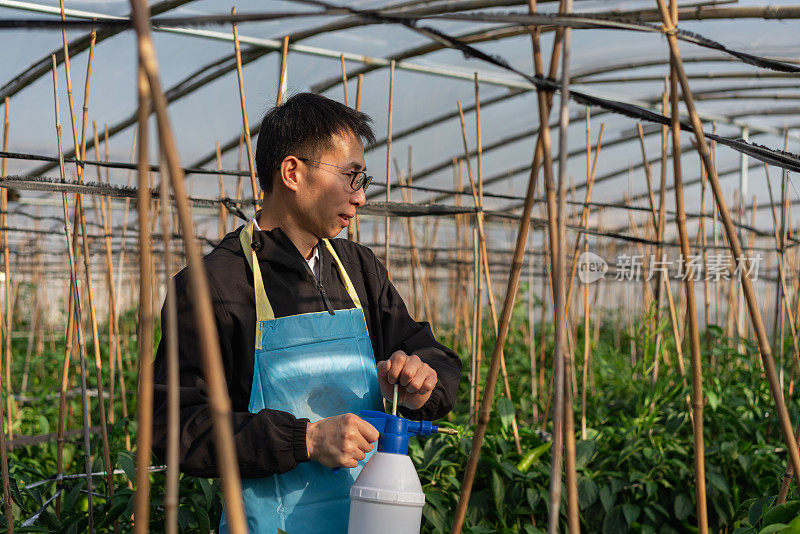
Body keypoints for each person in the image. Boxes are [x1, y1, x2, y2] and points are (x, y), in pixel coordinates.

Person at [151, 92, 461, 533]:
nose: (360, 196)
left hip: (371, 517)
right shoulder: (214, 286)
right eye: (351, 176)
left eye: (363, 179)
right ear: (293, 172)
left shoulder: (358, 270)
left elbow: (431, 354)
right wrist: (306, 440)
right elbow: (173, 427)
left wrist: (422, 381)